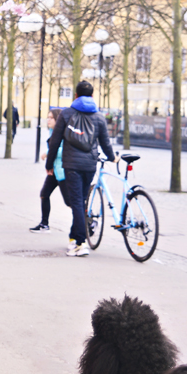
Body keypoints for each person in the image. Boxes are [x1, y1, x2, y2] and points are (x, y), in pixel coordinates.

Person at [46, 80, 115, 257]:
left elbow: (55, 141)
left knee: (77, 203)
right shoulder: (99, 116)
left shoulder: (67, 113)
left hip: (72, 165)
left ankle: (81, 243)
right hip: (90, 164)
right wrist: (113, 157)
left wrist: (49, 164)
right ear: (92, 96)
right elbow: (105, 143)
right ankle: (73, 237)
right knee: (81, 202)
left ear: (75, 95)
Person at [29, 110, 64, 233]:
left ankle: (87, 223)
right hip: (54, 170)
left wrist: (48, 153)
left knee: (72, 202)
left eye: (51, 118)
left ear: (58, 120)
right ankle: (44, 224)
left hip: (63, 171)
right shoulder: (52, 132)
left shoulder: (64, 132)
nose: (48, 120)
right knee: (44, 193)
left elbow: (64, 150)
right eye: (48, 117)